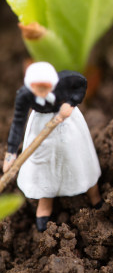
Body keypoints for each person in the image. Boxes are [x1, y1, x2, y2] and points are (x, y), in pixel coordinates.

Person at [3, 62, 102, 232]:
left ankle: (94, 195)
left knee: (78, 157)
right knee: (43, 166)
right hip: (41, 126)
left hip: (67, 122)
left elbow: (81, 84)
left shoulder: (65, 80)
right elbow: (18, 122)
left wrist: (70, 104)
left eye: (46, 87)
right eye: (37, 87)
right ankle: (45, 205)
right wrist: (11, 152)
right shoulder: (25, 95)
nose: (42, 91)